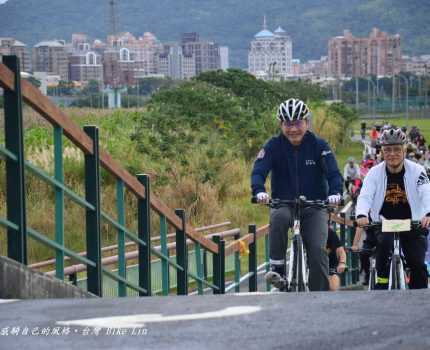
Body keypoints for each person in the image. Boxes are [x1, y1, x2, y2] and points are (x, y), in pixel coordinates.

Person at [251, 98, 343, 291]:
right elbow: (259, 171)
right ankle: (278, 268)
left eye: (297, 123)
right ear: (281, 124)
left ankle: (320, 295)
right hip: (283, 203)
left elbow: (333, 174)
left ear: (307, 123)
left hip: (315, 206)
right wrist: (259, 190)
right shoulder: (273, 146)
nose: (293, 129)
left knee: (318, 250)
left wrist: (335, 193)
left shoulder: (319, 145)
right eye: (288, 124)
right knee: (278, 217)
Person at [356, 127, 430, 289]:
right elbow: (365, 195)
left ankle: (420, 298)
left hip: (413, 223)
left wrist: (428, 212)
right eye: (387, 150)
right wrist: (361, 213)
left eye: (397, 149)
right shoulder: (374, 173)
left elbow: (426, 192)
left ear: (404, 151)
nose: (392, 154)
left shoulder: (417, 171)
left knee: (417, 263)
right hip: (384, 223)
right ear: (382, 152)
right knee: (383, 249)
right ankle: (381, 284)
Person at [326, 227, 347, 291]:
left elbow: (341, 251)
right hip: (312, 265)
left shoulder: (330, 232)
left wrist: (342, 263)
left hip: (330, 265)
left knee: (333, 286)